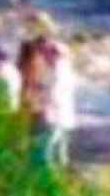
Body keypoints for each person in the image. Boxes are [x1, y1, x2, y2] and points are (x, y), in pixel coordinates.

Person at [31, 36, 77, 169]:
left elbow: (53, 94)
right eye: (42, 51)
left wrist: (42, 108)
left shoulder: (60, 71)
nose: (43, 55)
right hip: (61, 116)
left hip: (55, 116)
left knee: (46, 152)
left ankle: (49, 181)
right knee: (60, 154)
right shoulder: (57, 69)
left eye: (46, 52)